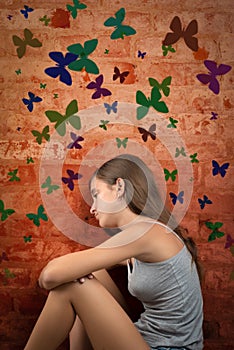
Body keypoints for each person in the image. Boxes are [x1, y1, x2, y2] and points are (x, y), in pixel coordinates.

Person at [24, 154, 203, 350]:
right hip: (144, 338)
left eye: (96, 194)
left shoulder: (145, 232)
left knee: (72, 285)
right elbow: (78, 269)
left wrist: (59, 277)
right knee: (88, 273)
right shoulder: (145, 237)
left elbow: (50, 276)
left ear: (119, 187)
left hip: (168, 348)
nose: (92, 208)